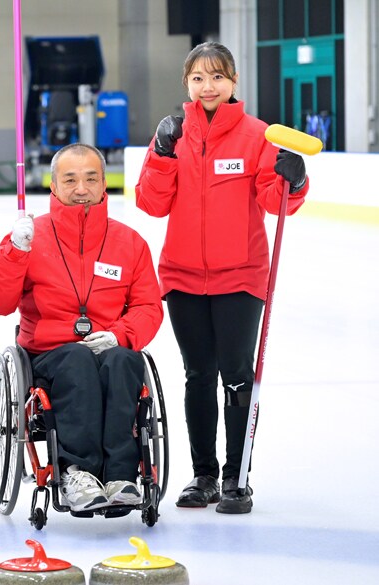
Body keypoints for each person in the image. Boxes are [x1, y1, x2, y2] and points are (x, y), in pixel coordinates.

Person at [135, 42, 309, 514]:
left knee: (236, 375)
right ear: (186, 84)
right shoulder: (173, 134)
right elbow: (151, 203)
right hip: (183, 277)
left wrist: (293, 179)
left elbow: (277, 202)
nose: (207, 86)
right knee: (197, 375)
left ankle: (237, 476)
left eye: (216, 76)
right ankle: (204, 475)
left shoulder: (256, 136)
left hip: (241, 278)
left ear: (233, 81)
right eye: (197, 78)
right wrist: (162, 153)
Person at [0, 143, 163, 512]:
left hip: (109, 345)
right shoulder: (31, 237)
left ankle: (121, 476)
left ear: (103, 183)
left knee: (126, 362)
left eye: (91, 178)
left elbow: (147, 306)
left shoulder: (129, 242)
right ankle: (78, 471)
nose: (82, 188)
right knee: (77, 361)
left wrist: (120, 335)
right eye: (71, 179)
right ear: (54, 186)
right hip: (49, 355)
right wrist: (15, 252)